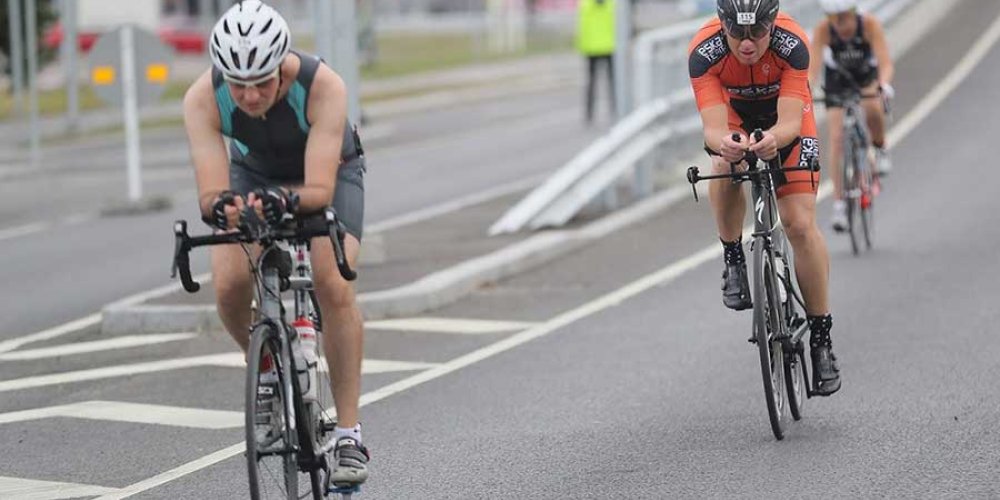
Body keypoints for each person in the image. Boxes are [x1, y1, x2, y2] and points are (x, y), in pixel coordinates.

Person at [181, 0, 369, 485]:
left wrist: (281, 203)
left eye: (262, 81)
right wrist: (226, 208)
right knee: (227, 284)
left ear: (283, 64)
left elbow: (319, 190)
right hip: (255, 173)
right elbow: (210, 192)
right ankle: (265, 367)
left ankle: (348, 433)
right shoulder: (202, 98)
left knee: (332, 281)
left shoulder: (323, 86)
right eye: (237, 83)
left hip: (329, 172)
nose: (248, 95)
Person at [687, 0, 840, 395]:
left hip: (785, 121)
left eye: (757, 31)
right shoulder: (704, 52)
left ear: (772, 24)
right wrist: (727, 144)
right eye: (737, 33)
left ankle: (822, 338)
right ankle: (734, 257)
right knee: (723, 163)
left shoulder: (793, 43)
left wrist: (774, 140)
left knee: (799, 225)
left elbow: (791, 121)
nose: (748, 43)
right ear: (722, 25)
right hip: (735, 120)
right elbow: (712, 129)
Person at [810, 0, 894, 232]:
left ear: (854, 13)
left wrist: (883, 85)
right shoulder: (823, 30)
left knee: (873, 109)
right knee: (836, 138)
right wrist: (805, 91)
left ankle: (879, 146)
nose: (840, 24)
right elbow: (812, 70)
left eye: (844, 18)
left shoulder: (869, 25)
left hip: (865, 76)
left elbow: (885, 63)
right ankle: (839, 205)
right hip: (837, 81)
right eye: (833, 18)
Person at [576, 0, 616, 124]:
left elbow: (582, 27)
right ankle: (616, 110)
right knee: (613, 83)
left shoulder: (585, 4)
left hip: (593, 48)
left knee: (593, 83)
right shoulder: (611, 4)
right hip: (609, 46)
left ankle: (589, 114)